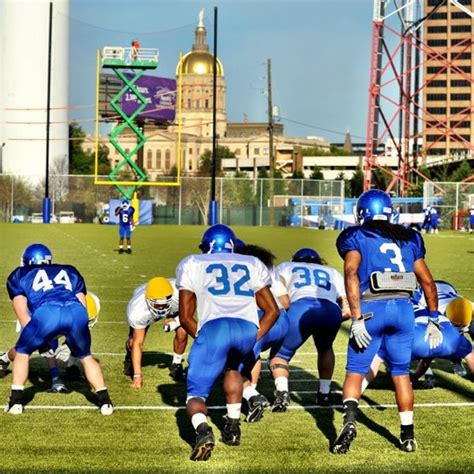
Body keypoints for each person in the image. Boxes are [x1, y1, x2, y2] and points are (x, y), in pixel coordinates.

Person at [332, 189, 440, 454]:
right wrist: (434, 318)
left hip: (372, 307)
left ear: (362, 212)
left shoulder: (356, 236)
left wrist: (356, 317)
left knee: (356, 370)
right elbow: (427, 281)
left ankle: (349, 422)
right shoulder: (409, 237)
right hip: (403, 309)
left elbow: (350, 272)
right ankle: (408, 435)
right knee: (401, 373)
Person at [176, 224, 279, 461]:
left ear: (208, 246)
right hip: (246, 328)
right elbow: (271, 311)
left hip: (214, 328)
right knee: (233, 368)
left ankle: (203, 431)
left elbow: (185, 316)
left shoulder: (193, 263)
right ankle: (232, 427)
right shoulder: (251, 263)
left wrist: (204, 341)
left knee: (195, 396)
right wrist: (252, 336)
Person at [4, 243, 113, 415]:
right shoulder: (70, 270)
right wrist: (73, 339)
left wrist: (41, 340)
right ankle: (105, 402)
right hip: (76, 312)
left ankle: (16, 402)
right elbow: (82, 306)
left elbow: (23, 315)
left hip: (47, 313)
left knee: (23, 352)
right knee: (86, 356)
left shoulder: (19, 275)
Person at [271, 248, 349, 411]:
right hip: (330, 309)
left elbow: (280, 297)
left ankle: (282, 392)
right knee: (325, 348)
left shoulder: (286, 266)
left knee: (280, 355)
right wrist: (332, 318)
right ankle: (324, 393)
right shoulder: (332, 271)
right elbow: (346, 309)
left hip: (300, 307)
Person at [362, 282, 474, 390]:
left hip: (417, 336)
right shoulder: (435, 307)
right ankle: (456, 359)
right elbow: (431, 350)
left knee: (378, 356)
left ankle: (357, 390)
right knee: (469, 352)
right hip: (449, 336)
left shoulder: (397, 302)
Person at [235, 243, 290, 422]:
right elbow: (286, 302)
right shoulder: (269, 273)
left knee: (232, 365)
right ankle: (252, 391)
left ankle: (252, 396)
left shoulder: (238, 271)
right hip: (282, 320)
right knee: (252, 356)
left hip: (261, 319)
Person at [123, 277, 188, 388]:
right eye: (158, 305)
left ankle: (176, 365)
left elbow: (189, 313)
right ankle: (130, 356)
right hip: (145, 310)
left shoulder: (181, 293)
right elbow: (139, 344)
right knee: (133, 342)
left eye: (164, 303)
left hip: (172, 301)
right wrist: (137, 375)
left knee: (183, 330)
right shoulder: (137, 310)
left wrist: (173, 318)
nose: (161, 307)